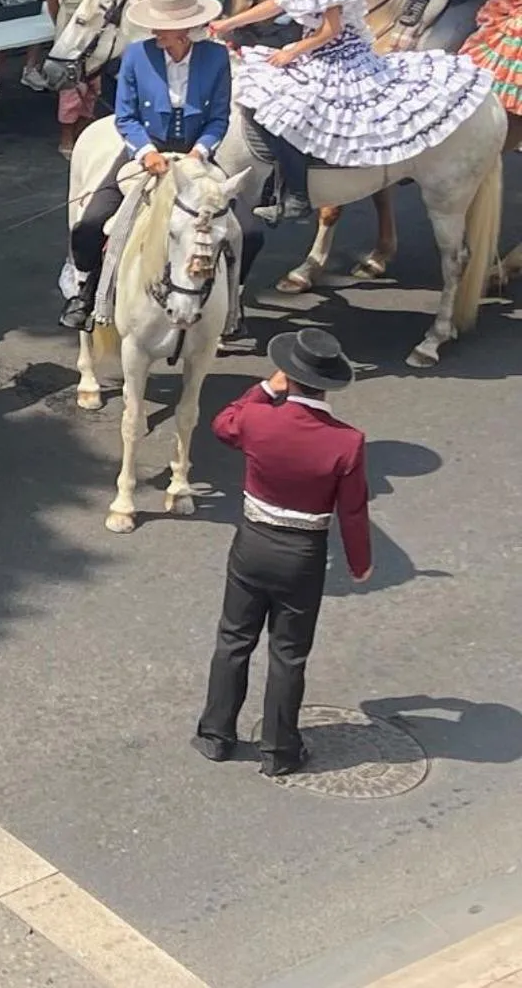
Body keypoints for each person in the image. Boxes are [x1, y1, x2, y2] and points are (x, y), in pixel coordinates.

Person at [213, 0, 492, 222]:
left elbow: (332, 30)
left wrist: (293, 52)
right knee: (257, 94)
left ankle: (299, 196)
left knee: (287, 110)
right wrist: (229, 23)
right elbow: (279, 4)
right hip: (314, 48)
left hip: (340, 55)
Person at [193, 329, 369, 778]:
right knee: (288, 654)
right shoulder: (346, 441)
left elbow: (222, 423)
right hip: (303, 556)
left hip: (252, 544)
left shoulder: (258, 420)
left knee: (233, 639)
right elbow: (352, 509)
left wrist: (265, 388)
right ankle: (279, 751)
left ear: (288, 376)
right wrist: (360, 563)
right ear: (328, 383)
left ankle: (216, 735)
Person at [60, 0, 250, 331]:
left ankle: (231, 302)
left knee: (246, 233)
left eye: (161, 25)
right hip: (147, 149)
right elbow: (126, 117)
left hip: (196, 152)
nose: (154, 31)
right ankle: (87, 291)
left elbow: (219, 117)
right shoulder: (136, 55)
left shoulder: (215, 57)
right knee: (91, 223)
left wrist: (201, 150)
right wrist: (146, 152)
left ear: (185, 29)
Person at [44, 0, 114, 155]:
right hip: (72, 29)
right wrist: (62, 29)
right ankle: (66, 139)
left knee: (93, 85)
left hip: (98, 31)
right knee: (70, 87)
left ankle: (83, 132)